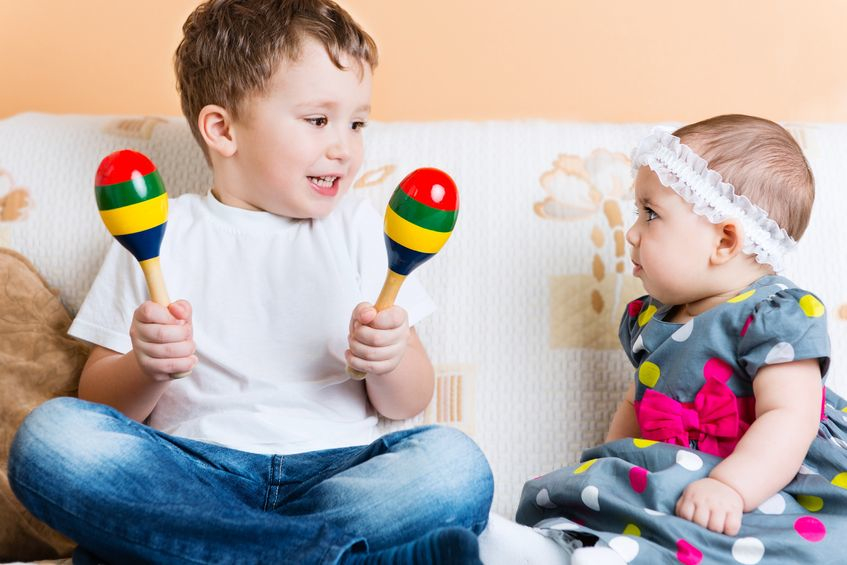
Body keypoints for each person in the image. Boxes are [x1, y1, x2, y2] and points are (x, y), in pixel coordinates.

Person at [8, 1, 492, 563]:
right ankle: (331, 557)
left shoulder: (360, 228)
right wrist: (145, 366)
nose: (345, 147)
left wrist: (390, 359)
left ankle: (202, 554)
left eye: (357, 123)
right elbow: (102, 404)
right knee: (52, 438)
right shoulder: (159, 232)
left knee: (455, 465)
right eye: (318, 120)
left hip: (337, 476)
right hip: (191, 475)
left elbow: (409, 400)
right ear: (222, 129)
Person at [517, 114, 847, 563]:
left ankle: (616, 554)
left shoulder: (774, 314)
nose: (632, 232)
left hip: (766, 484)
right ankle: (544, 549)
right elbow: (635, 407)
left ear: (724, 241)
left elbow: (790, 417)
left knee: (778, 542)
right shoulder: (651, 319)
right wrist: (606, 465)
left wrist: (731, 487)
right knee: (597, 493)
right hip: (675, 479)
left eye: (651, 214)